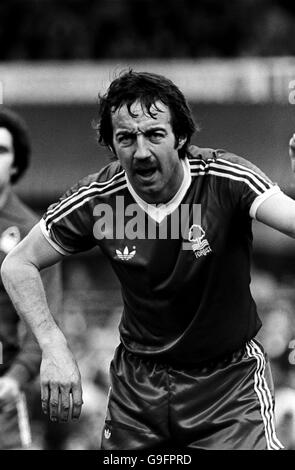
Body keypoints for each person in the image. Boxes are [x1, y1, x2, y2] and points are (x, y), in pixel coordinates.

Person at [1, 70, 295, 450]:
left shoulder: (225, 178)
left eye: (155, 134)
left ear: (181, 137)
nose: (140, 151)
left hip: (228, 383)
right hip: (139, 389)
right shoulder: (99, 198)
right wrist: (53, 345)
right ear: (112, 145)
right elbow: (17, 264)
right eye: (125, 138)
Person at [0, 107, 62, 449]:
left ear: (15, 163)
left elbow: (47, 318)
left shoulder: (32, 233)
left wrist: (16, 377)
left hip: (3, 387)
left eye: (1, 150)